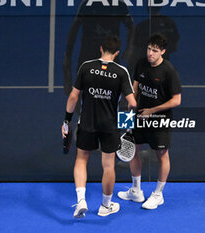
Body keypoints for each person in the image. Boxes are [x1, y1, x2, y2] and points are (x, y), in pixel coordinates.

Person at [62, 35, 136, 218]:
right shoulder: (121, 72)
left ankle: (81, 201)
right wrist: (127, 127)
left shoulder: (86, 67)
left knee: (81, 160)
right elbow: (132, 103)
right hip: (109, 126)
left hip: (87, 123)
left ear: (101, 48)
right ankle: (105, 206)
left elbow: (73, 97)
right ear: (117, 53)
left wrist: (67, 120)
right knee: (108, 165)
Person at [117, 34, 182, 209]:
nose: (150, 53)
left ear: (162, 51)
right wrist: (129, 111)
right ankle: (136, 191)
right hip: (138, 116)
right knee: (133, 150)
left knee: (162, 155)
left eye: (155, 50)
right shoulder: (141, 63)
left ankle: (158, 194)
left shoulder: (168, 71)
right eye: (149, 49)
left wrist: (152, 111)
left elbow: (177, 100)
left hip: (159, 120)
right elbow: (135, 87)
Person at [63, 0, 134, 112]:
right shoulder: (87, 4)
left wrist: (129, 48)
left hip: (110, 55)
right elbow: (74, 28)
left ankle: (118, 125)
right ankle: (82, 119)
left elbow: (131, 26)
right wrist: (68, 54)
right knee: (83, 91)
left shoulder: (120, 5)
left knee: (117, 90)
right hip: (88, 53)